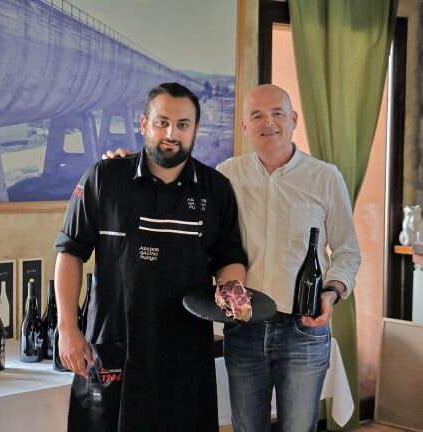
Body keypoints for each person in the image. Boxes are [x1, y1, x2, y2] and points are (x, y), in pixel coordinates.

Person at [104, 83, 361, 432]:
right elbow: (170, 174)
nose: (267, 123)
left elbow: (347, 251)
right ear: (244, 126)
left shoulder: (325, 178)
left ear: (294, 119)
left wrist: (331, 292)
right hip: (244, 330)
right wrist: (126, 163)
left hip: (303, 330)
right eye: (256, 115)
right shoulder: (225, 176)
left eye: (277, 114)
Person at [54, 82, 247, 432]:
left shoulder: (216, 189)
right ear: (144, 123)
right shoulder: (104, 178)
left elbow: (230, 257)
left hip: (185, 350)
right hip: (114, 344)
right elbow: (70, 252)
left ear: (195, 130)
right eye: (162, 122)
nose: (171, 133)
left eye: (183, 125)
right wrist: (67, 327)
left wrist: (235, 293)